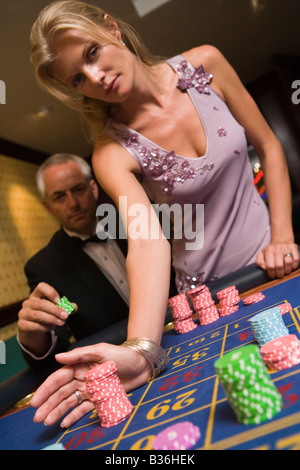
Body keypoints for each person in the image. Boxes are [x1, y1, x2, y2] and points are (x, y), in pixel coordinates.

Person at [29, 1, 299, 428]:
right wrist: (141, 351)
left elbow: (267, 145)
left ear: (111, 29)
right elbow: (147, 239)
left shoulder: (205, 62)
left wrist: (282, 235)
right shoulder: (111, 152)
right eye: (79, 78)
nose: (95, 78)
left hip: (274, 260)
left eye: (92, 54)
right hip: (208, 294)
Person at [17, 153, 130, 363]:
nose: (73, 203)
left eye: (78, 189)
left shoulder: (133, 221)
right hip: (115, 361)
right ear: (48, 207)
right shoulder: (45, 268)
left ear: (93, 189)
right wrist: (33, 336)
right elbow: (57, 332)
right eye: (59, 196)